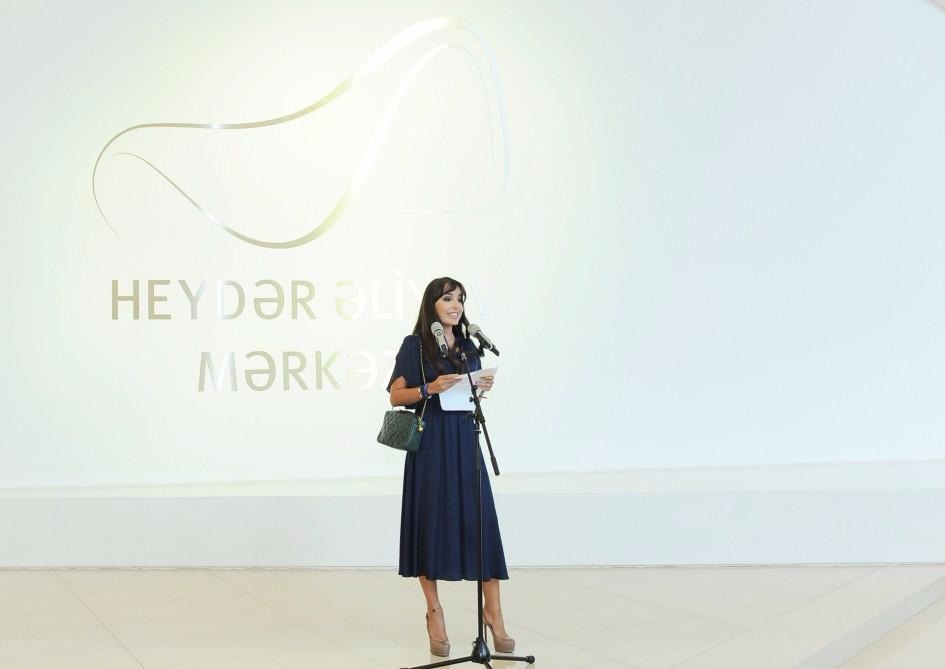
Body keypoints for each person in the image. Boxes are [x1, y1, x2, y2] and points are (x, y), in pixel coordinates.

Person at [386, 276, 515, 658]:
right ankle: (434, 613)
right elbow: (396, 395)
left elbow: (469, 393)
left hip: (464, 437)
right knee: (429, 524)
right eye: (447, 298)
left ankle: (493, 613)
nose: (456, 305)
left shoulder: (471, 346)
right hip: (430, 443)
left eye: (460, 299)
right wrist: (431, 388)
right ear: (432, 304)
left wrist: (479, 389)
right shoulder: (415, 345)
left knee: (481, 524)